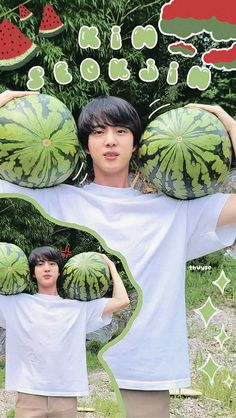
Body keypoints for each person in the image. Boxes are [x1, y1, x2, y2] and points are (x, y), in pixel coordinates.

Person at [0, 91, 236, 418]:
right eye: (98, 132)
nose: (110, 140)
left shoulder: (176, 212)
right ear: (84, 145)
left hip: (146, 371)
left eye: (121, 131)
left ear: (136, 143)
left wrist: (230, 126)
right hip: (64, 373)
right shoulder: (55, 199)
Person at [0, 246, 129, 418]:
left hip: (65, 396)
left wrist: (110, 265)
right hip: (29, 394)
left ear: (60, 271)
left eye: (52, 264)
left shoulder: (78, 308)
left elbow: (122, 301)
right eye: (40, 264)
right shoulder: (15, 304)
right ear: (31, 273)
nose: (46, 268)